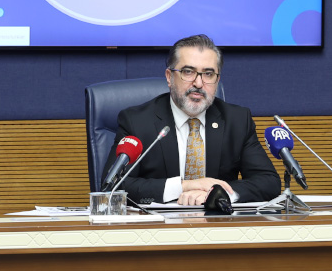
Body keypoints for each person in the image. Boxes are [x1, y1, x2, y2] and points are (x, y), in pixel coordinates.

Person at [105, 34, 280, 205]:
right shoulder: (137, 121)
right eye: (188, 72)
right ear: (169, 77)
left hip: (218, 220)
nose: (198, 83)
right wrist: (183, 186)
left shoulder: (237, 120)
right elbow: (112, 186)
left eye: (208, 74)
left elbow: (269, 182)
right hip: (159, 222)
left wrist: (219, 193)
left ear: (217, 80)